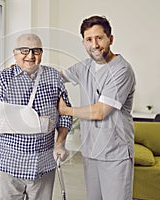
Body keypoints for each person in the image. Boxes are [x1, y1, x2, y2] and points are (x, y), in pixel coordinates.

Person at [58, 16, 136, 200]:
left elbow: (101, 111)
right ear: (84, 42)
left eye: (99, 38)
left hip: (115, 154)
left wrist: (67, 111)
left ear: (111, 39)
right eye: (89, 39)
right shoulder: (84, 67)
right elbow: (57, 76)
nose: (95, 44)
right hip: (91, 151)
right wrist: (27, 69)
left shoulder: (122, 70)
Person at [0, 33, 72, 200]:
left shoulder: (53, 77)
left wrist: (60, 143)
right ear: (15, 53)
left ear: (42, 53)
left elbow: (65, 114)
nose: (30, 56)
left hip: (44, 164)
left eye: (36, 51)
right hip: (9, 164)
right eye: (24, 51)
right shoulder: (1, 80)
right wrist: (39, 124)